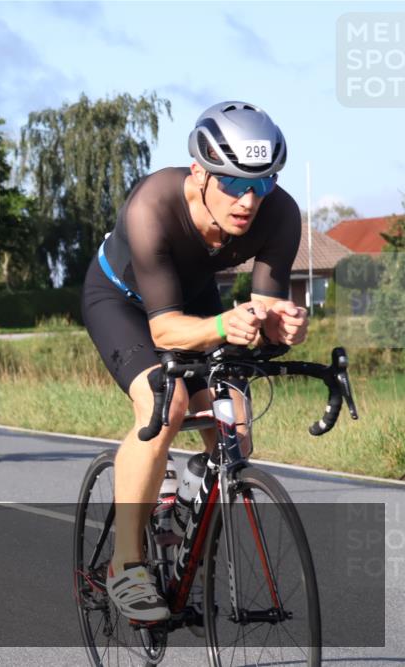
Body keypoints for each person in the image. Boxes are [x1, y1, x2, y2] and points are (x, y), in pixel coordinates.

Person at [81, 101, 309, 622]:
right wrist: (228, 325)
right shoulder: (152, 206)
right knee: (166, 402)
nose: (249, 200)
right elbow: (164, 329)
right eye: (232, 184)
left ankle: (185, 513)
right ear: (200, 172)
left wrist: (285, 326)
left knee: (236, 423)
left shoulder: (280, 213)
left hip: (195, 299)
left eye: (264, 183)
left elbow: (267, 306)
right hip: (123, 303)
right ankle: (126, 564)